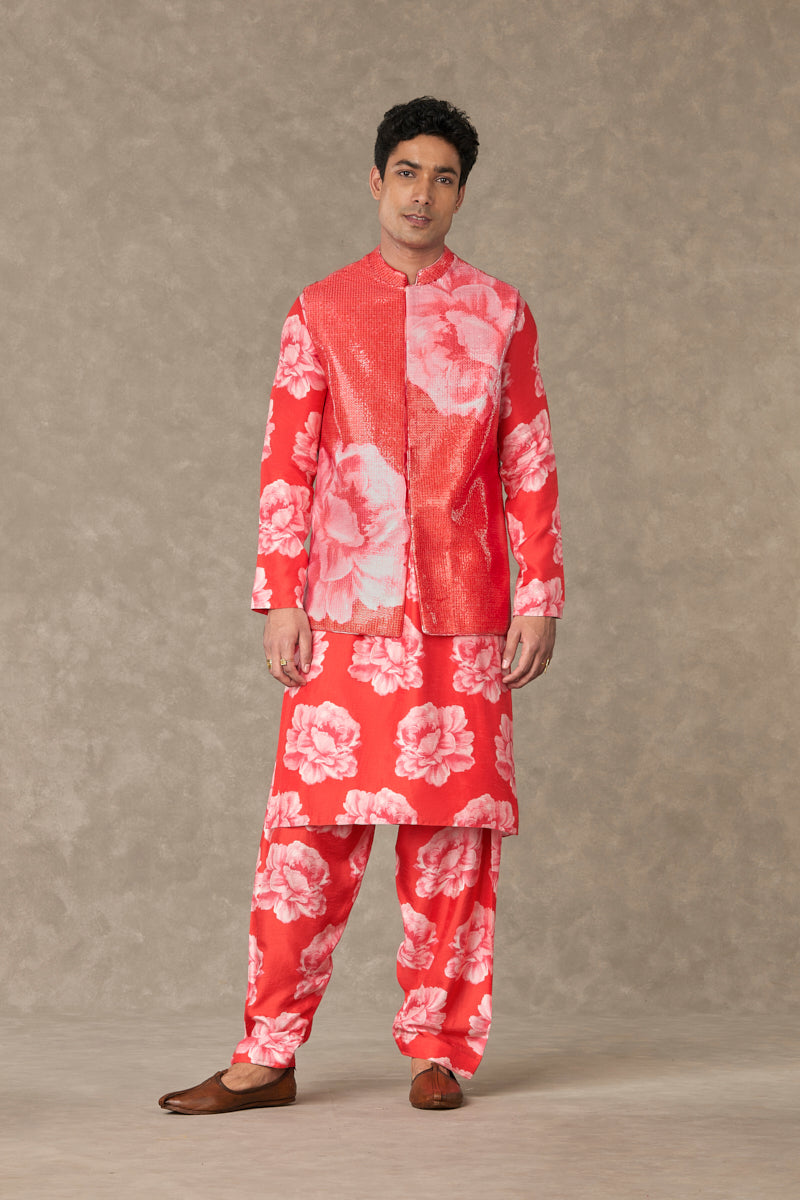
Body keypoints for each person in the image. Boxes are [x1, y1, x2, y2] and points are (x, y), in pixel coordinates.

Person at [159, 96, 563, 1115]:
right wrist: (279, 596)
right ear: (376, 181)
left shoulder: (501, 312)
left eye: (442, 177)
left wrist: (540, 593)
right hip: (343, 610)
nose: (421, 193)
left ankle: (440, 1051)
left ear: (460, 194)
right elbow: (287, 462)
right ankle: (266, 1053)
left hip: (466, 611)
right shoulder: (320, 308)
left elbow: (526, 456)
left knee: (453, 845)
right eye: (406, 172)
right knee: (305, 844)